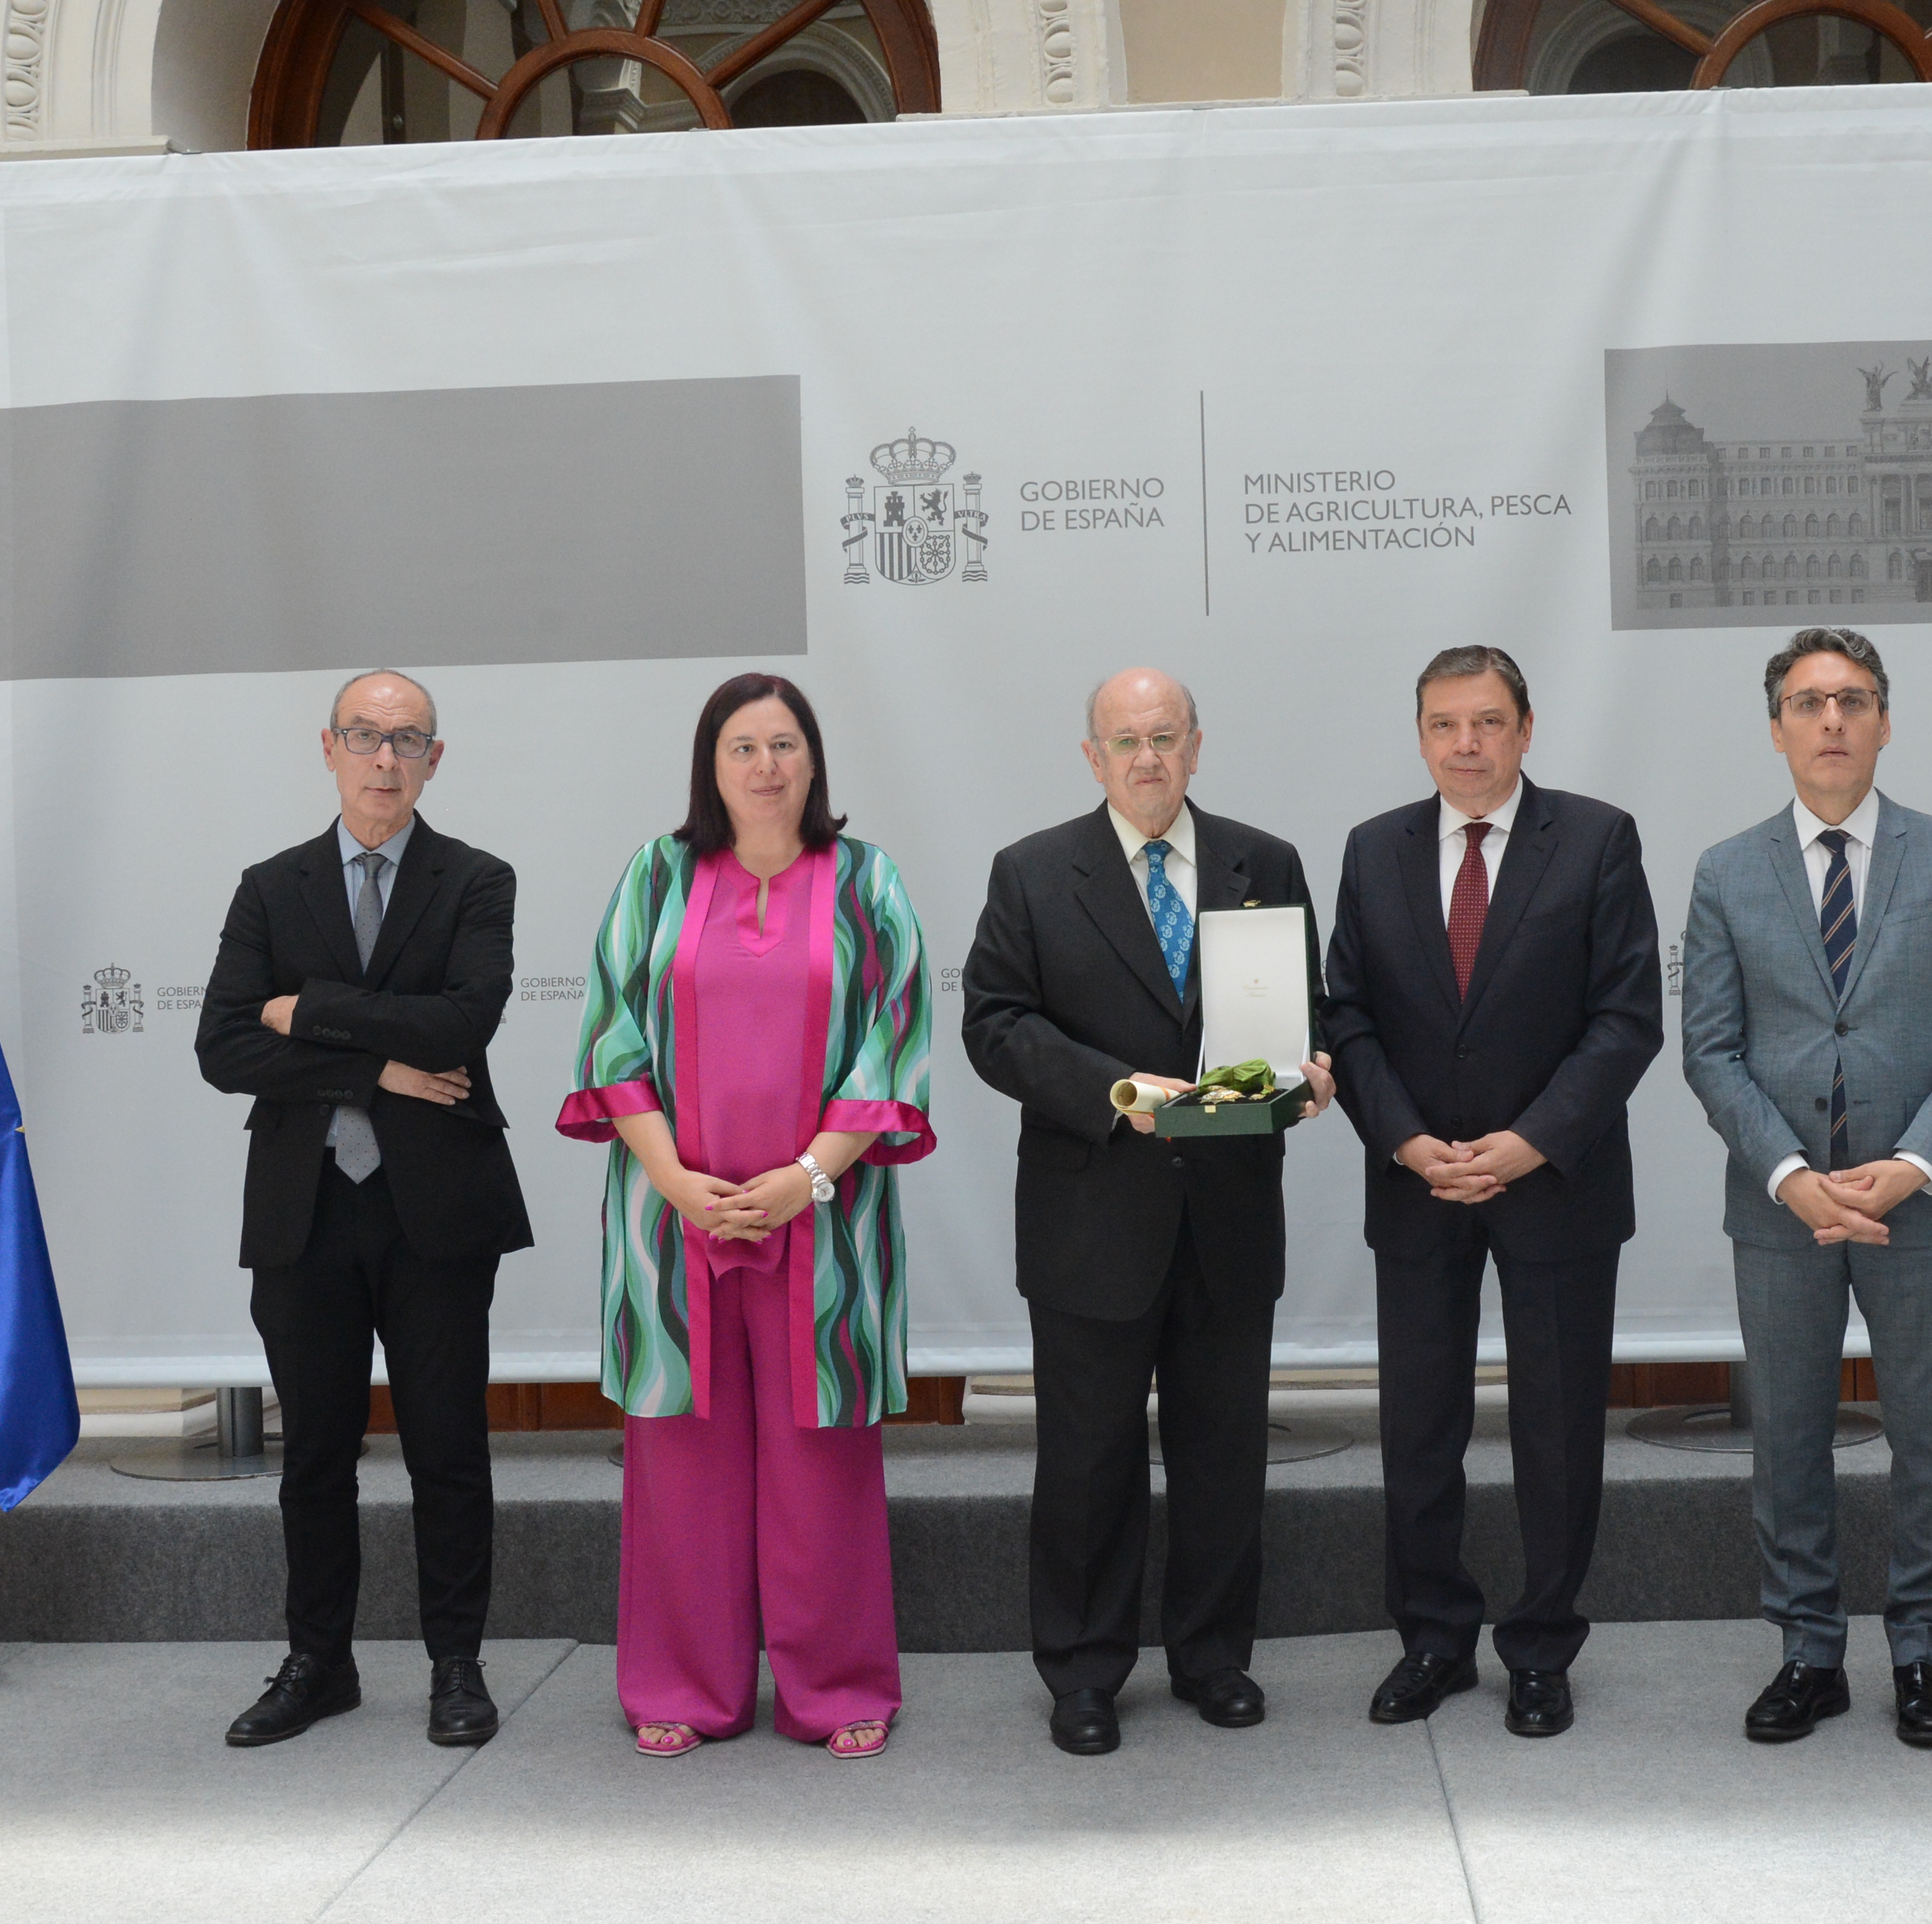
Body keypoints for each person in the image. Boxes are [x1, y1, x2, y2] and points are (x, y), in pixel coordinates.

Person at [961, 668, 1336, 1757]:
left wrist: (1313, 1071)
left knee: (1224, 1454)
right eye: (1125, 740)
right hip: (1092, 1218)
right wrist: (1119, 1091)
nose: (1148, 758)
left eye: (1166, 736)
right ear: (1093, 757)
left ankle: (1213, 1658)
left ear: (1197, 746)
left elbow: (1306, 1014)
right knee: (1089, 1462)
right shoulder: (1034, 872)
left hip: (1228, 1215)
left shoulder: (1266, 863)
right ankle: (1084, 1672)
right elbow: (995, 1026)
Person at [559, 673, 934, 1761]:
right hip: (671, 1218)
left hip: (828, 1219)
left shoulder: (868, 880)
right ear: (709, 766)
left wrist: (804, 1178)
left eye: (784, 744)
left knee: (824, 1466)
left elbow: (893, 1042)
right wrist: (678, 1182)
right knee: (681, 1463)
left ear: (814, 760)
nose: (765, 766)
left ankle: (838, 1684)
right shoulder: (656, 875)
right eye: (742, 746)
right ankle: (683, 1682)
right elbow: (612, 1038)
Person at [1679, 628, 1932, 1750]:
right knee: (1787, 1438)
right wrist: (1791, 1177)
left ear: (1885, 721)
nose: (1832, 719)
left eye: (1854, 700)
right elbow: (1710, 1050)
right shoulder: (1727, 871)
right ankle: (1808, 1652)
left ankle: (1923, 1652)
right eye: (1808, 702)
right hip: (1782, 1209)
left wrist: (1912, 1166)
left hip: (1927, 1205)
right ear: (1775, 728)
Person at [1321, 646, 1659, 1740]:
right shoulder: (1373, 849)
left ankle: (1543, 1645)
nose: (1465, 745)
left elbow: (1626, 1019)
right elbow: (1346, 1015)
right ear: (1420, 735)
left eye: (1487, 722)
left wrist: (1529, 1143)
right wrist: (1406, 1141)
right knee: (1419, 1425)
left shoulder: (1597, 839)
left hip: (1556, 1183)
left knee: (1558, 1429)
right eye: (1443, 724)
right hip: (1418, 1181)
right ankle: (1432, 1637)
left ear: (1526, 728)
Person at [195, 669, 531, 1749]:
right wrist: (373, 1069)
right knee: (313, 1455)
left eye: (407, 740)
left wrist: (309, 1013)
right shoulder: (270, 887)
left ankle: (457, 1665)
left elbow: (461, 1025)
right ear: (329, 748)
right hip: (305, 1213)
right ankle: (318, 1662)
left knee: (448, 1446)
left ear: (436, 759)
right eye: (365, 736)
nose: (385, 759)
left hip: (437, 1212)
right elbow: (224, 1047)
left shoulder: (475, 880)